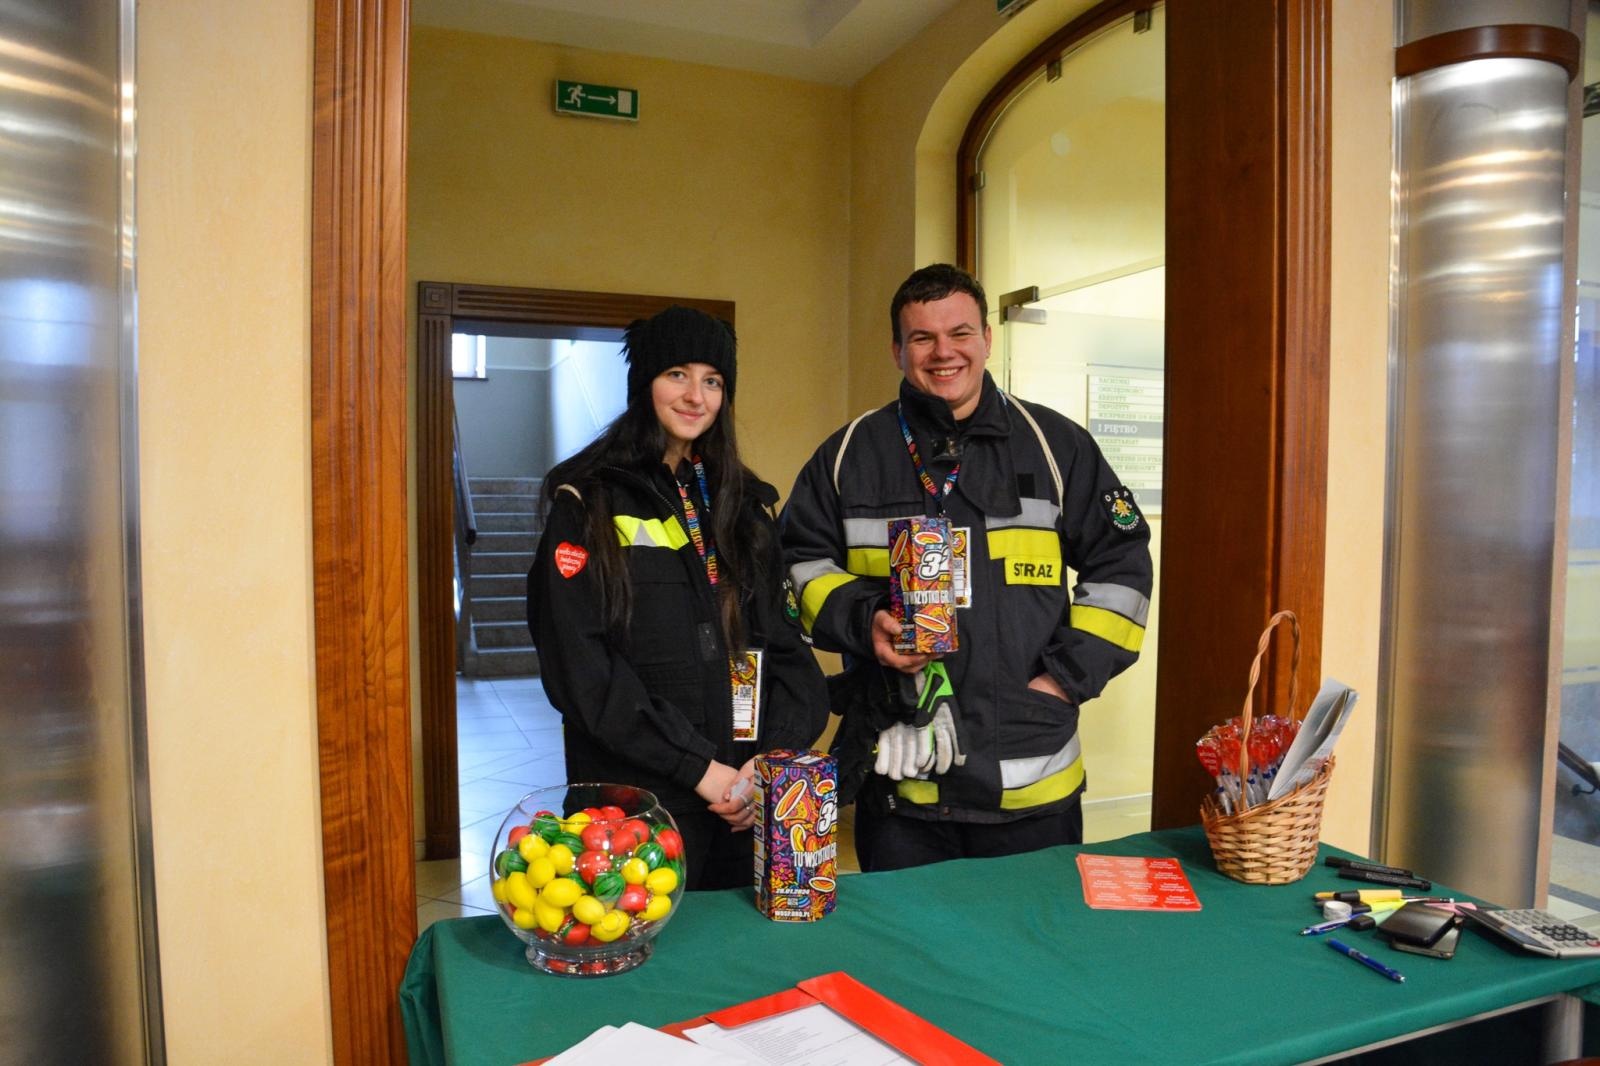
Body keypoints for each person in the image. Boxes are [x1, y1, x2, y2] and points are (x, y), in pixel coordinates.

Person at [780, 264, 1152, 871]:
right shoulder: (849, 455)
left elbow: (1124, 569)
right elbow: (795, 566)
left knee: (1035, 957)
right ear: (898, 350)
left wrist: (1063, 679)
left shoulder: (1058, 447)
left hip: (1033, 789)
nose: (943, 352)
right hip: (902, 786)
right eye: (922, 338)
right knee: (907, 959)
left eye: (960, 333)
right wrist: (864, 621)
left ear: (986, 339)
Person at [527, 305, 829, 890]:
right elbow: (582, 673)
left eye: (713, 381)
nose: (697, 396)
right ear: (645, 384)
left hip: (745, 805)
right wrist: (700, 770)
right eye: (678, 374)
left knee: (743, 967)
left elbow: (786, 650)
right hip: (639, 807)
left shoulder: (744, 505)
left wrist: (767, 764)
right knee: (643, 965)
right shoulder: (586, 500)